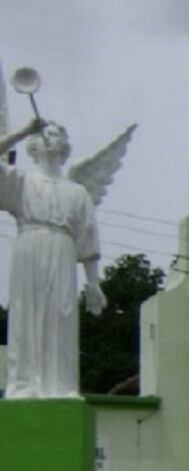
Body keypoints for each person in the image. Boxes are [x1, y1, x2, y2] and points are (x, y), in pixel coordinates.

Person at [0, 118, 106, 397]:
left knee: (62, 315)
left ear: (65, 146)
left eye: (58, 132)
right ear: (33, 145)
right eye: (46, 132)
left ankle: (62, 385)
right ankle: (23, 384)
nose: (52, 136)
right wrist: (22, 131)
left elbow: (88, 237)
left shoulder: (77, 192)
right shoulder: (21, 182)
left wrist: (93, 283)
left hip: (63, 250)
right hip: (30, 244)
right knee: (27, 312)